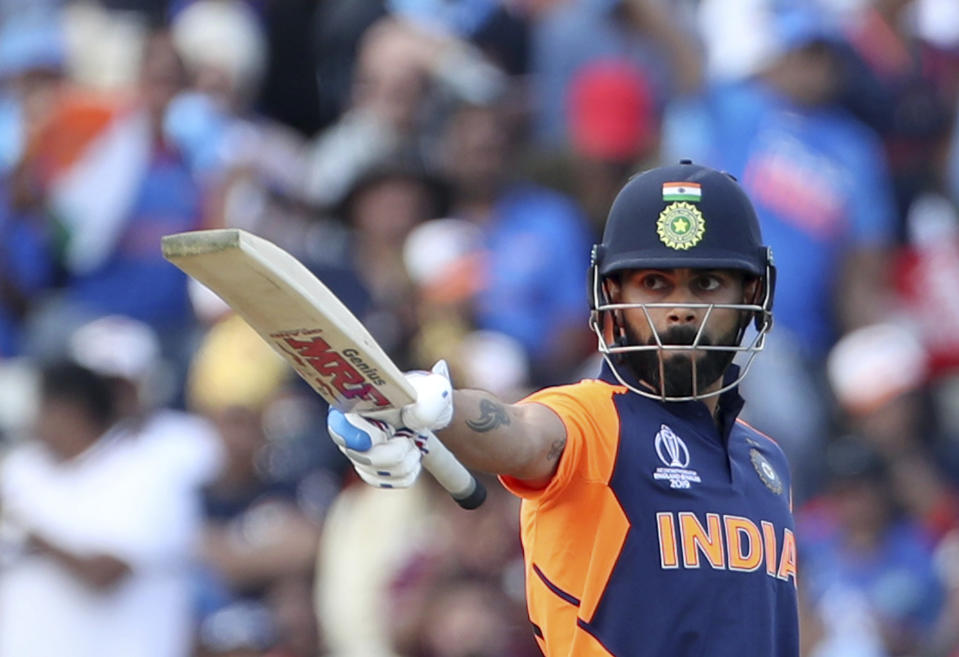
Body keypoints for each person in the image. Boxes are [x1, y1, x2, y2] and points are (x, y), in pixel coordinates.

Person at [326, 160, 798, 656]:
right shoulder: (592, 419)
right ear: (611, 293)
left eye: (706, 284)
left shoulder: (768, 462)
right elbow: (517, 429)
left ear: (752, 292)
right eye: (655, 284)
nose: (680, 308)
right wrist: (421, 407)